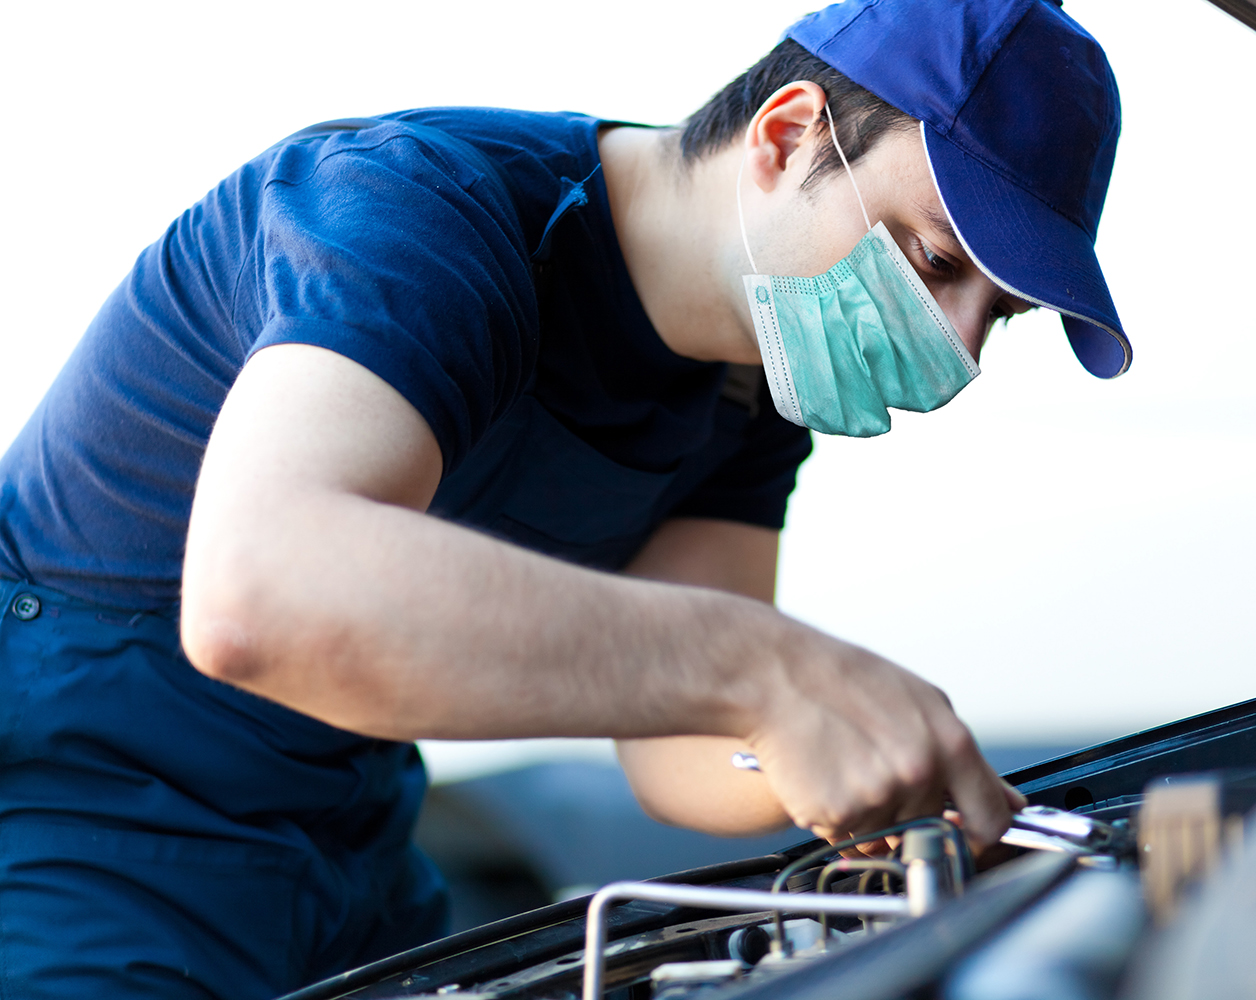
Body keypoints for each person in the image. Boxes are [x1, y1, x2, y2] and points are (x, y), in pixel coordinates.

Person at [0, 0, 1126, 996]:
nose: (962, 345)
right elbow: (264, 598)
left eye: (1001, 312)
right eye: (937, 263)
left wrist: (878, 760)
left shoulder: (751, 384)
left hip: (341, 840)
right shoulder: (423, 216)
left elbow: (678, 752)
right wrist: (771, 668)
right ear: (786, 140)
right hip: (77, 814)